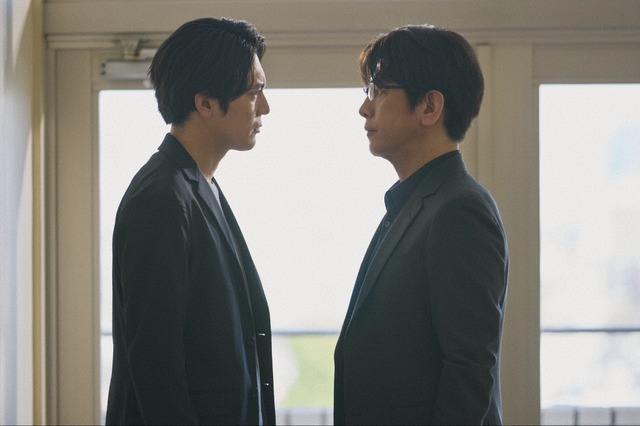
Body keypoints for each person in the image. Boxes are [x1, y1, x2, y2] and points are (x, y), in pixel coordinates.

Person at [334, 24, 509, 425]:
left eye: (378, 90)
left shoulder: (460, 208)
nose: (365, 108)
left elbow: (469, 367)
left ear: (429, 106)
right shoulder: (416, 202)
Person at [106, 17, 274, 425]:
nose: (265, 107)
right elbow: (157, 370)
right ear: (206, 103)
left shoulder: (196, 185)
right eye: (255, 92)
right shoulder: (162, 198)